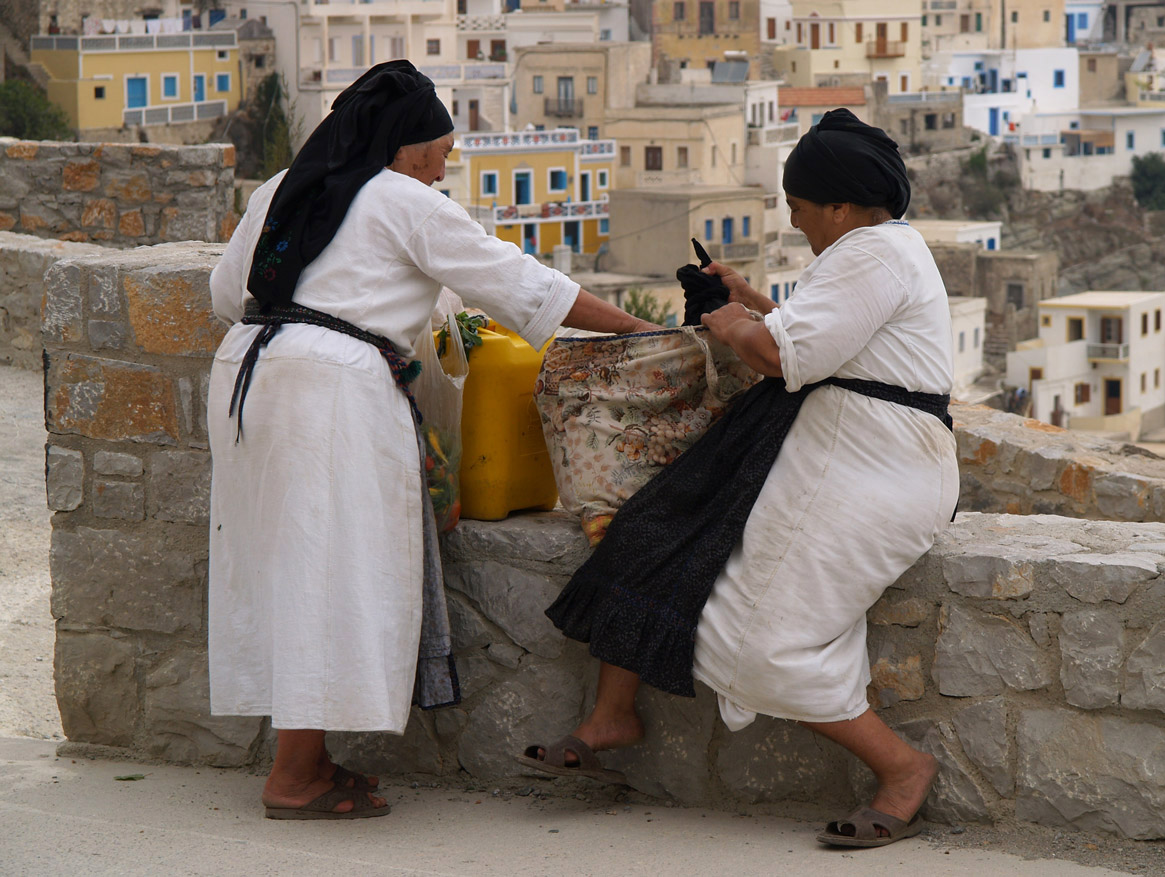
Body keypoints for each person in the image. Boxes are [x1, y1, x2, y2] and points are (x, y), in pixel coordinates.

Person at [207, 61, 654, 820]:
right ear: (405, 148)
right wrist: (647, 329)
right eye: (441, 149)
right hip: (332, 391)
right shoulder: (406, 202)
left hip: (251, 375)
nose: (445, 164)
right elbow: (525, 286)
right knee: (329, 572)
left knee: (280, 564)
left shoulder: (283, 187)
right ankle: (290, 777)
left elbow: (226, 294)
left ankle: (309, 757)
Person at [521, 109, 959, 849]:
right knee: (661, 540)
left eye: (800, 210)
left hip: (869, 464)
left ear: (841, 207)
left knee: (760, 645)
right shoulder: (877, 252)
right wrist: (749, 302)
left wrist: (730, 324)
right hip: (837, 453)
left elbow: (780, 358)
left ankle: (904, 767)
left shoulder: (875, 255)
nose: (799, 224)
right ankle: (611, 716)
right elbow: (825, 336)